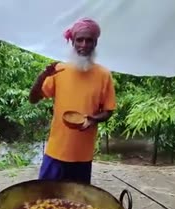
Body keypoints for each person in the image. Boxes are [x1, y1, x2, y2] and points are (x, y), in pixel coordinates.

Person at [29, 18, 116, 185]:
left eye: (89, 40)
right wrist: (42, 77)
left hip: (83, 155)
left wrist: (93, 119)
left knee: (76, 203)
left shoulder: (104, 75)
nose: (84, 45)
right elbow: (33, 99)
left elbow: (108, 110)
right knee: (45, 197)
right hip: (56, 152)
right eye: (80, 40)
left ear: (95, 43)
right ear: (73, 42)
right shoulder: (60, 70)